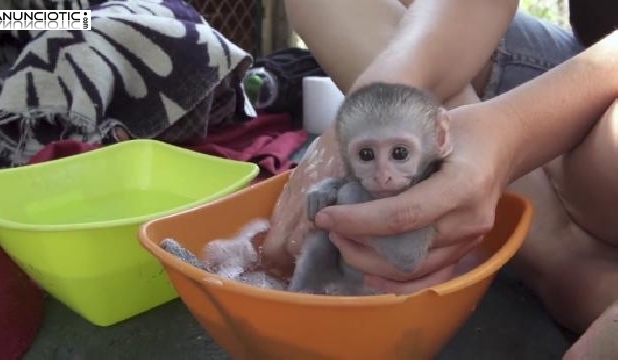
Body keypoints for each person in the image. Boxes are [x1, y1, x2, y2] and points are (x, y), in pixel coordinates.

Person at [261, 0, 618, 358]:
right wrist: (381, 96)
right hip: (586, 56)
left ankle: (560, 257)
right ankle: (546, 228)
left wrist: (510, 130)